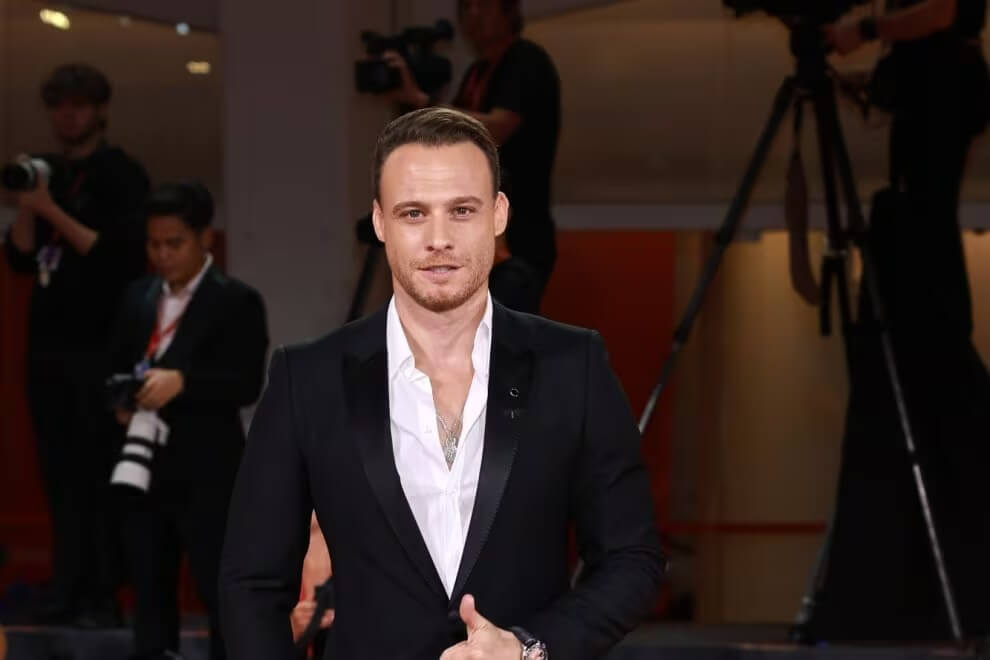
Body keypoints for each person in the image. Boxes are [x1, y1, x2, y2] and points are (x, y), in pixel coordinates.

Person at [219, 108, 663, 659]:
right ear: (380, 222)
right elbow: (251, 583)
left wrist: (530, 647)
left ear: (498, 214)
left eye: (461, 211)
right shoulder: (306, 378)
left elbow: (632, 559)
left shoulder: (573, 365)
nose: (438, 239)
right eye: (413, 213)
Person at [807, 0, 990, 641]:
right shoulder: (936, 75)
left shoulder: (944, 47)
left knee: (933, 355)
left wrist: (862, 31)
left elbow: (942, 10)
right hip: (917, 225)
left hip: (920, 239)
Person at [2, 63, 150, 626]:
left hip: (101, 347)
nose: (68, 116)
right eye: (59, 106)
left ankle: (102, 594)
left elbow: (116, 254)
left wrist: (49, 210)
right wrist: (27, 204)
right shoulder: (47, 175)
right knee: (57, 472)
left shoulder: (121, 175)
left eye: (79, 105)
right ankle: (67, 585)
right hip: (48, 347)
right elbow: (21, 259)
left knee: (100, 474)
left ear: (99, 110)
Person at [109, 182, 269, 660]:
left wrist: (184, 382)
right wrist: (120, 400)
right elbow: (113, 364)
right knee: (148, 589)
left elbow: (245, 383)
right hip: (144, 466)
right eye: (154, 244)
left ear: (204, 238)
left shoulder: (236, 300)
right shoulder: (137, 296)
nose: (162, 255)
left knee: (217, 587)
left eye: (174, 243)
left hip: (208, 471)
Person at [386, 0, 561, 314]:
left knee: (502, 334)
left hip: (518, 234)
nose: (473, 15)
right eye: (466, 7)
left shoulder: (525, 60)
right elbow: (449, 141)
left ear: (508, 11)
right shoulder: (477, 72)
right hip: (477, 233)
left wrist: (423, 102)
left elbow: (496, 128)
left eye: (484, 5)